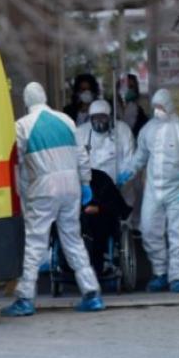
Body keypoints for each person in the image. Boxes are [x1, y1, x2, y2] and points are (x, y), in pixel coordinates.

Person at [1, 82, 105, 317]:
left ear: (26, 101)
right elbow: (81, 155)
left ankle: (25, 298)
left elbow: (17, 164)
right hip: (71, 188)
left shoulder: (22, 126)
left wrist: (21, 193)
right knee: (73, 240)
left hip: (44, 189)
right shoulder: (66, 121)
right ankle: (91, 293)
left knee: (35, 243)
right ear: (45, 97)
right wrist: (86, 183)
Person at [119, 88, 179, 293]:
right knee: (149, 231)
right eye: (155, 107)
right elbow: (140, 156)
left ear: (169, 106)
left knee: (178, 235)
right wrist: (129, 171)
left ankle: (178, 277)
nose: (158, 110)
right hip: (153, 190)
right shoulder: (148, 130)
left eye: (161, 107)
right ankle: (160, 272)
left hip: (178, 190)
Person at [75, 99, 135, 279]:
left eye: (103, 117)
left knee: (113, 219)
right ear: (90, 118)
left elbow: (130, 160)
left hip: (114, 188)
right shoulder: (81, 133)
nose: (100, 122)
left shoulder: (122, 131)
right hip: (88, 186)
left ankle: (110, 257)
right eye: (96, 118)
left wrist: (124, 178)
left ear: (110, 117)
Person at [119, 73, 149, 138]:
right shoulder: (115, 107)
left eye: (131, 87)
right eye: (126, 87)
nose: (128, 90)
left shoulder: (139, 111)